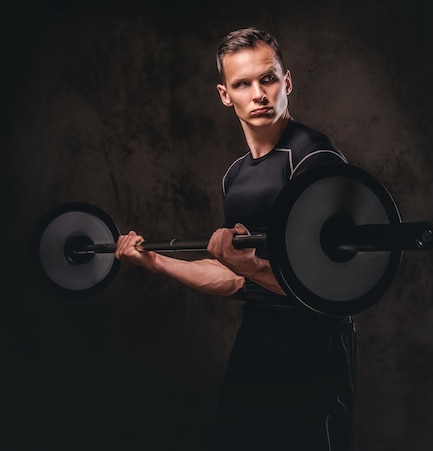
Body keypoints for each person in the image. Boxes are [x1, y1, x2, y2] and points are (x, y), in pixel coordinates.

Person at [115, 27, 358, 451]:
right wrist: (154, 261)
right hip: (257, 343)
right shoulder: (236, 176)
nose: (258, 94)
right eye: (242, 84)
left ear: (287, 81)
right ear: (225, 95)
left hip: (315, 348)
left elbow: (331, 287)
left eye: (267, 78)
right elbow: (236, 278)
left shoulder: (315, 159)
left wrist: (250, 267)